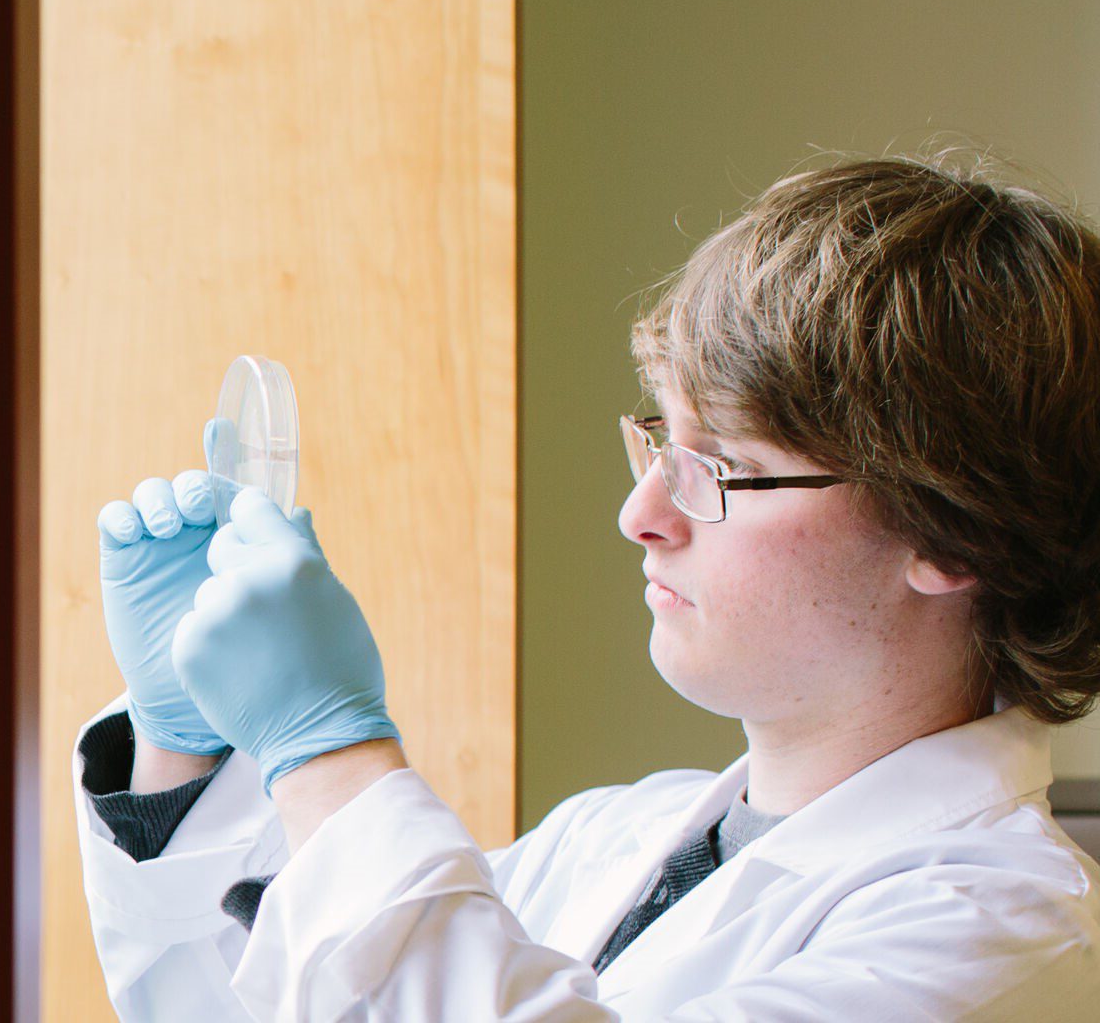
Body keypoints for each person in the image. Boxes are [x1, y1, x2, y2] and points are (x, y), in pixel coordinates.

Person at [75, 153, 1100, 1019]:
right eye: (658, 442)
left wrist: (330, 752)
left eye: (718, 467)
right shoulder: (605, 840)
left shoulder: (1010, 935)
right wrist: (183, 750)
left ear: (950, 531)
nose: (639, 515)